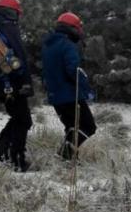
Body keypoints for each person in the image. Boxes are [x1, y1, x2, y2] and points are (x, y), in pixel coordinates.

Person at [0, 0, 34, 172]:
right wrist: (19, 75)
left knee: (20, 119)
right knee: (23, 120)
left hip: (7, 83)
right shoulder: (3, 28)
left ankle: (0, 153)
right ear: (12, 12)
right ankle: (14, 159)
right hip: (10, 84)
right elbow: (5, 57)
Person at [41, 12, 97, 161]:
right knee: (88, 127)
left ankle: (69, 159)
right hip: (70, 95)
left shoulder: (48, 45)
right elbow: (74, 70)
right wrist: (87, 90)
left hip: (56, 96)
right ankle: (64, 155)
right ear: (71, 28)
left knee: (72, 128)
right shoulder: (67, 45)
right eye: (78, 28)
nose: (80, 32)